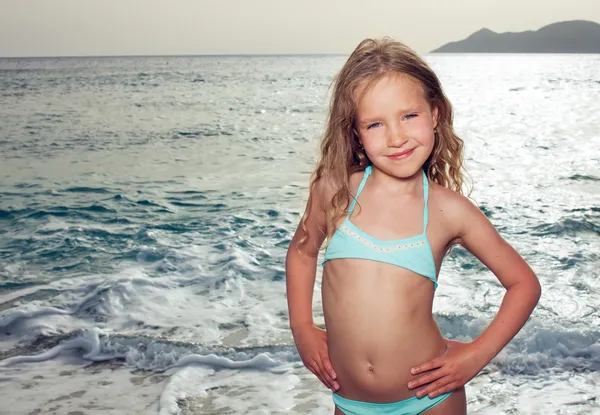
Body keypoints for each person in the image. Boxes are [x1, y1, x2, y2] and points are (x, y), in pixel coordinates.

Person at [285, 37, 541, 415]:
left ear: (435, 114)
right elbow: (303, 252)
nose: (396, 137)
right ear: (355, 133)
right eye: (375, 124)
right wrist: (303, 328)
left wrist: (473, 357)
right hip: (350, 401)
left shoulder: (448, 210)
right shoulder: (336, 190)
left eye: (409, 116)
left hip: (430, 400)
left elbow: (524, 284)